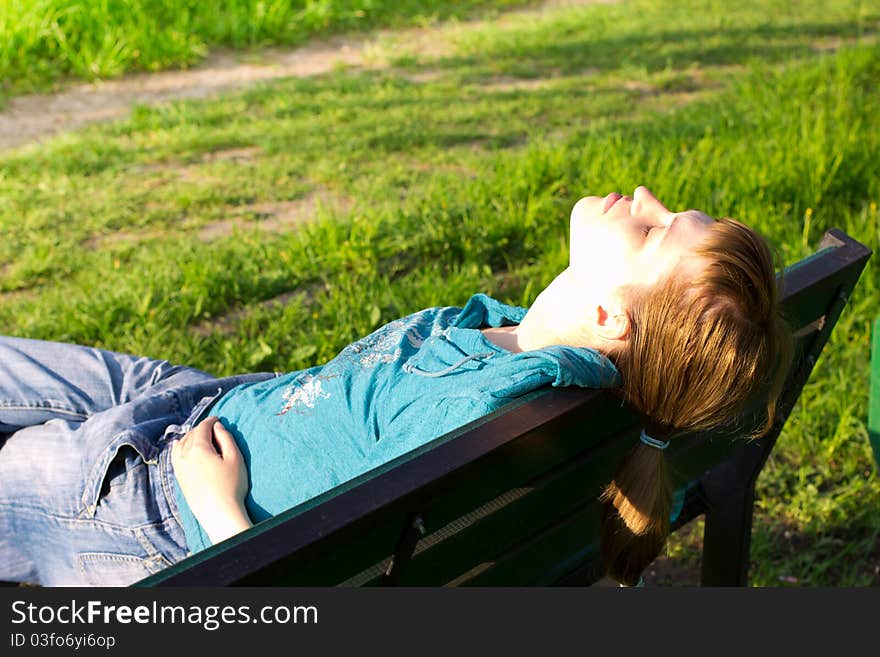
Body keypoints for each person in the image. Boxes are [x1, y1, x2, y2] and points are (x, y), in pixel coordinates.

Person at [0, 186, 791, 587]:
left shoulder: (475, 415)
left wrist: (216, 506)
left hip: (159, 508)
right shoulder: (540, 361)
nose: (645, 199)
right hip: (207, 407)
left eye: (651, 230)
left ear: (608, 317)